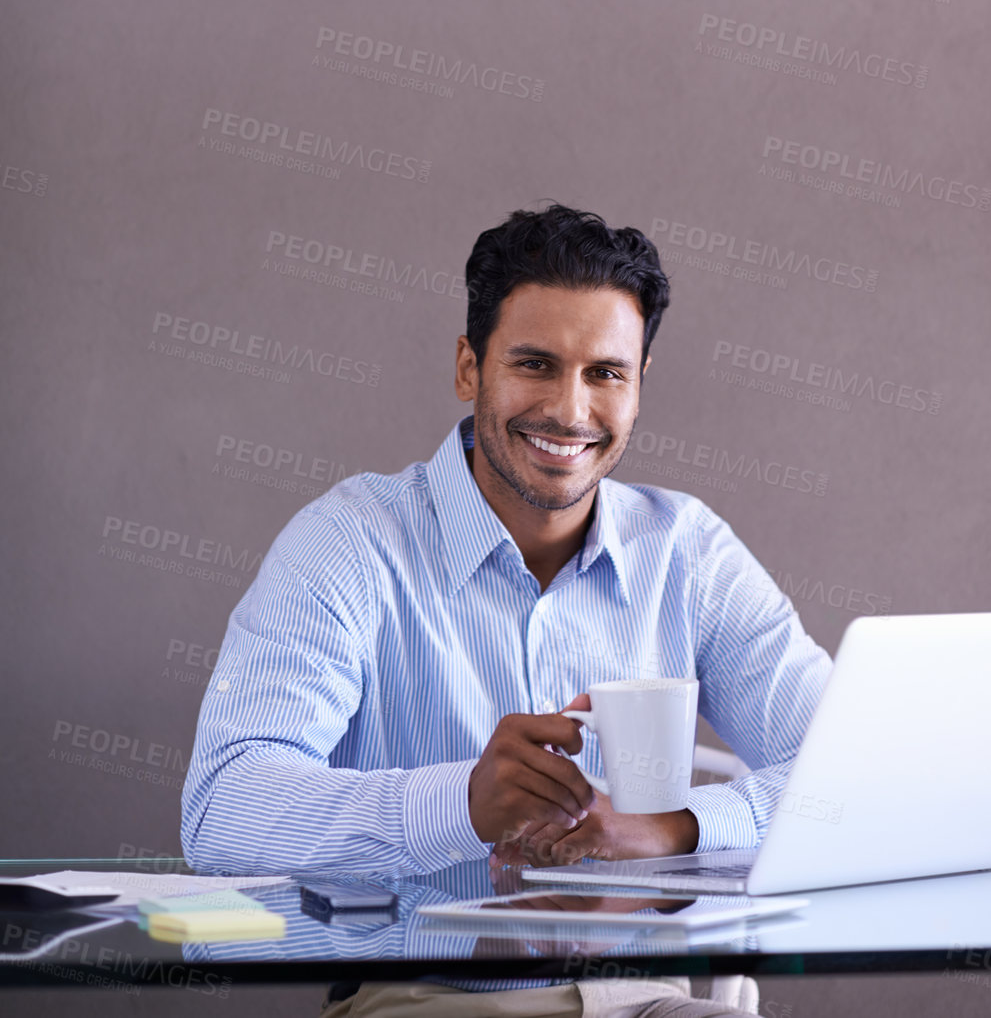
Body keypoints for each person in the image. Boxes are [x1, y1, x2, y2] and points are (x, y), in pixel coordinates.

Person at [181, 202, 832, 878]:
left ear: (639, 385)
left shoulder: (688, 550)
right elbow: (222, 810)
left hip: (639, 984)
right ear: (469, 368)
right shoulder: (347, 543)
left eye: (605, 373)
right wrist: (460, 804)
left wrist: (677, 826)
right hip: (421, 985)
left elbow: (862, 776)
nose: (569, 411)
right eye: (534, 364)